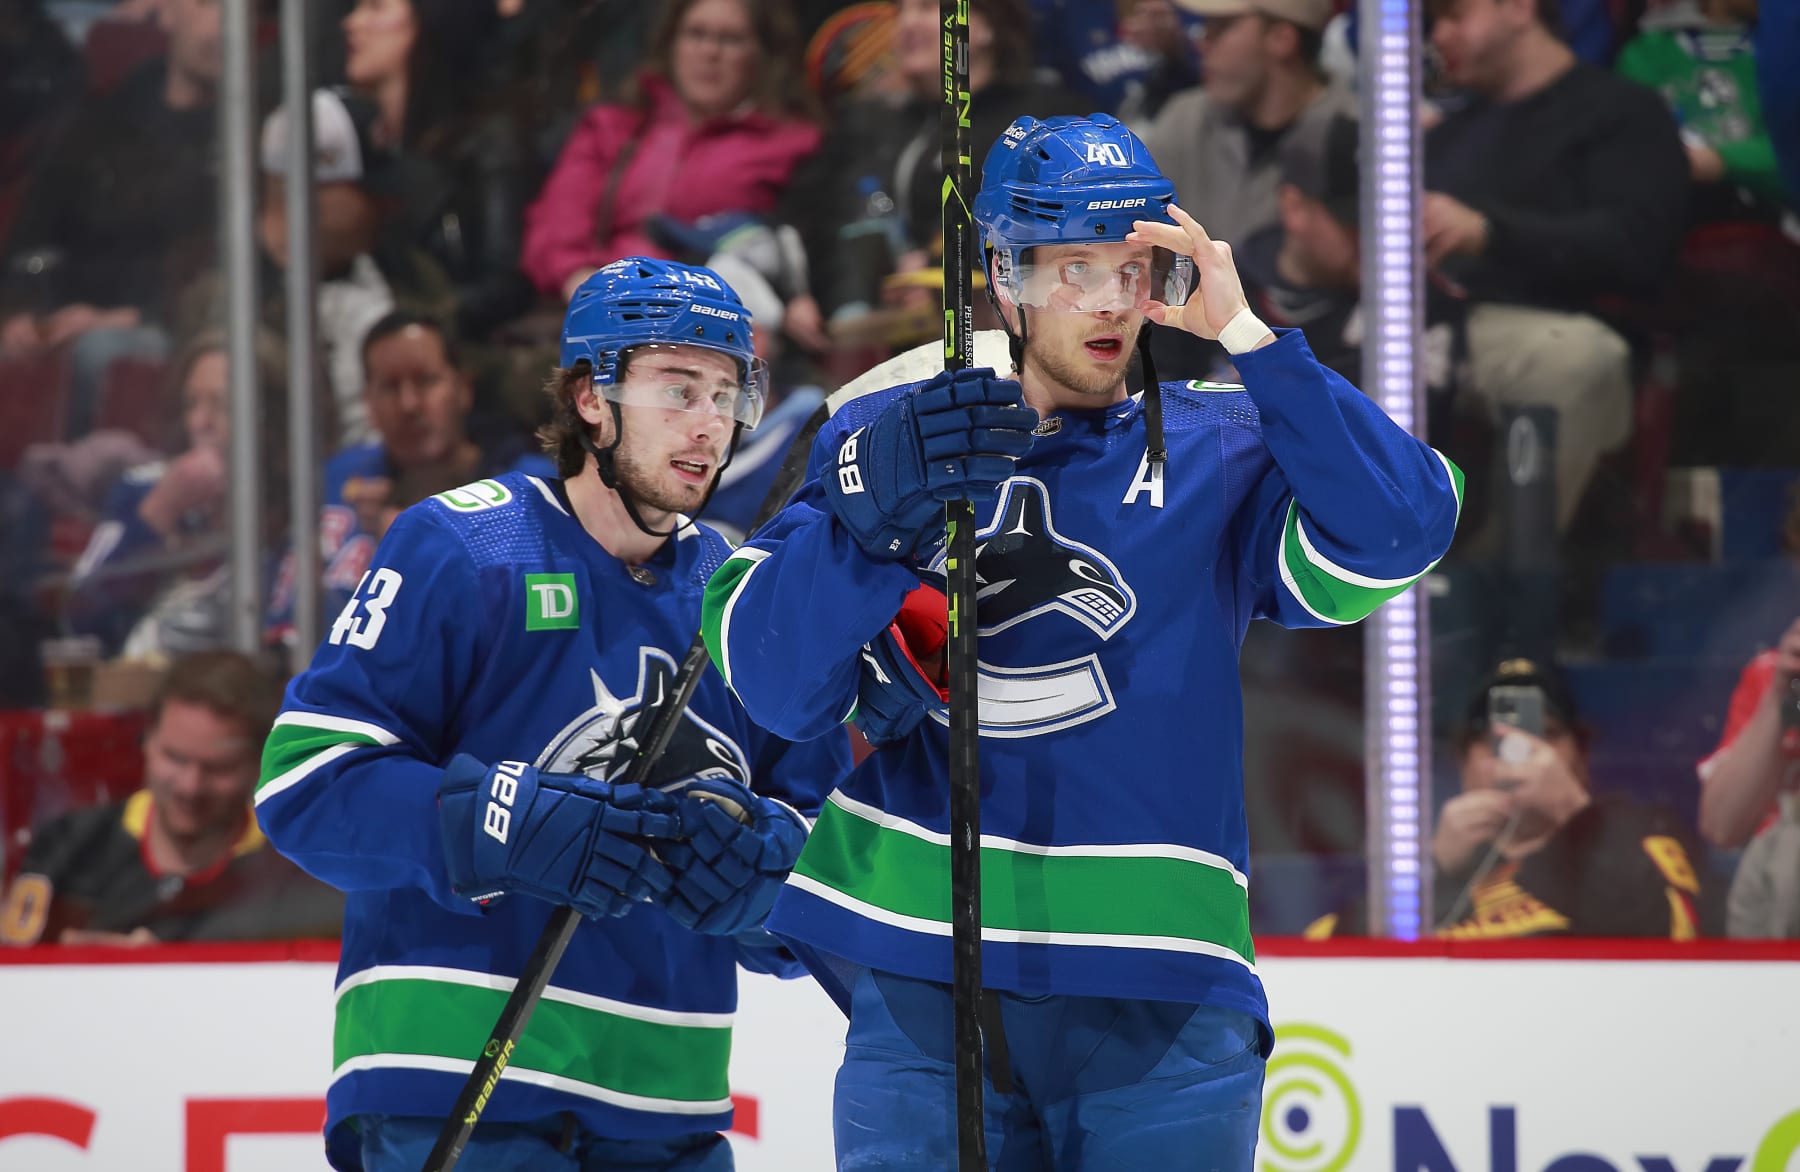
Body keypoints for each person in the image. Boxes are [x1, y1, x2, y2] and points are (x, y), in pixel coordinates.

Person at [701, 114, 1461, 1169]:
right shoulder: (897, 434)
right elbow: (775, 684)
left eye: (1133, 267)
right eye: (1074, 268)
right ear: (1005, 275)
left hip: (1164, 987)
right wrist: (866, 529)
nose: (1111, 301)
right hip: (928, 974)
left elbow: (1401, 531)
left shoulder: (1224, 442)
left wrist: (1252, 339)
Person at [255, 257, 851, 1172]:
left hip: (668, 1108)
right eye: (676, 388)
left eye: (729, 393)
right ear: (590, 396)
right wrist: (494, 822)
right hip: (450, 1080)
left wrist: (767, 881)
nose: (708, 424)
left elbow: (829, 860)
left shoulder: (744, 597)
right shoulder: (461, 545)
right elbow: (305, 784)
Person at [1424, 0, 1690, 535]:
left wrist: (1488, 233)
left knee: (1573, 360)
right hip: (1436, 323)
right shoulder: (1448, 134)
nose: (1438, 35)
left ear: (1519, 8)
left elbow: (1637, 247)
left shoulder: (1623, 113)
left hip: (1555, 324)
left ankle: (1502, 592)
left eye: (1453, 15)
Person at [0, 651, 344, 947]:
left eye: (218, 768)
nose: (190, 787)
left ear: (259, 764)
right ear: (146, 741)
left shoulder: (296, 867)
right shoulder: (69, 846)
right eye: (175, 759)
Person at [520, 0, 821, 306]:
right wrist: (582, 282)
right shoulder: (613, 125)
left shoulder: (794, 142)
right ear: (671, 42)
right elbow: (557, 223)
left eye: (731, 39)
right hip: (600, 304)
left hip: (719, 315)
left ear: (763, 54)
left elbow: (794, 252)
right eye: (695, 34)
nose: (710, 52)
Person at [1426, 659, 1705, 938]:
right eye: (1497, 741)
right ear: (1463, 765)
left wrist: (1579, 820)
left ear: (1582, 758)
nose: (1521, 758)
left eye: (1547, 734)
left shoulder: (1638, 834)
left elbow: (1678, 940)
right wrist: (1436, 869)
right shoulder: (1418, 865)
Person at [317, 310, 551, 618]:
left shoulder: (533, 488)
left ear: (462, 389)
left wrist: (414, 549)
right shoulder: (338, 482)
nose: (409, 404)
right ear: (368, 404)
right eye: (389, 387)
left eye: (426, 381)